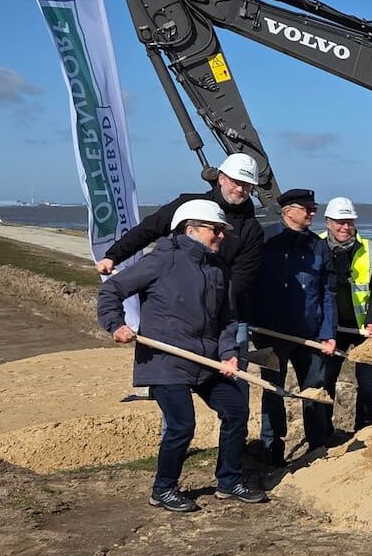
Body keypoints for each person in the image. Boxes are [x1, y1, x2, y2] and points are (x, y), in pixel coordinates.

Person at [96, 199, 267, 512]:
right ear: (191, 229)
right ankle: (163, 488)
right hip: (165, 359)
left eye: (223, 230)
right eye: (216, 230)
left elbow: (228, 319)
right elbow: (112, 291)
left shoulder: (218, 269)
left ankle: (228, 482)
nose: (221, 236)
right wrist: (116, 325)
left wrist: (229, 354)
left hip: (207, 360)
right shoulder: (162, 260)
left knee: (236, 411)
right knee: (181, 425)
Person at [97, 153, 265, 322]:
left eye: (247, 185)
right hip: (175, 306)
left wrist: (206, 305)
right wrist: (113, 256)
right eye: (236, 182)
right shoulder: (188, 206)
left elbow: (241, 279)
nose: (240, 189)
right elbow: (149, 228)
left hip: (222, 311)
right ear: (221, 178)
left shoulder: (252, 230)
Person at [253, 188, 337, 464]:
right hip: (271, 333)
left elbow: (327, 290)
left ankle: (317, 445)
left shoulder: (318, 245)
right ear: (288, 210)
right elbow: (248, 282)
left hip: (310, 333)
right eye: (307, 208)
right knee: (273, 391)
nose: (313, 213)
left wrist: (328, 333)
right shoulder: (265, 239)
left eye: (314, 208)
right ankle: (272, 447)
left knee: (314, 389)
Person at [319, 196, 372, 429]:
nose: (344, 227)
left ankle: (364, 424)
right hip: (331, 327)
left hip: (364, 327)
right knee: (327, 378)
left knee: (367, 381)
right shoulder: (315, 245)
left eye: (349, 222)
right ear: (328, 222)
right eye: (339, 222)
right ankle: (324, 428)